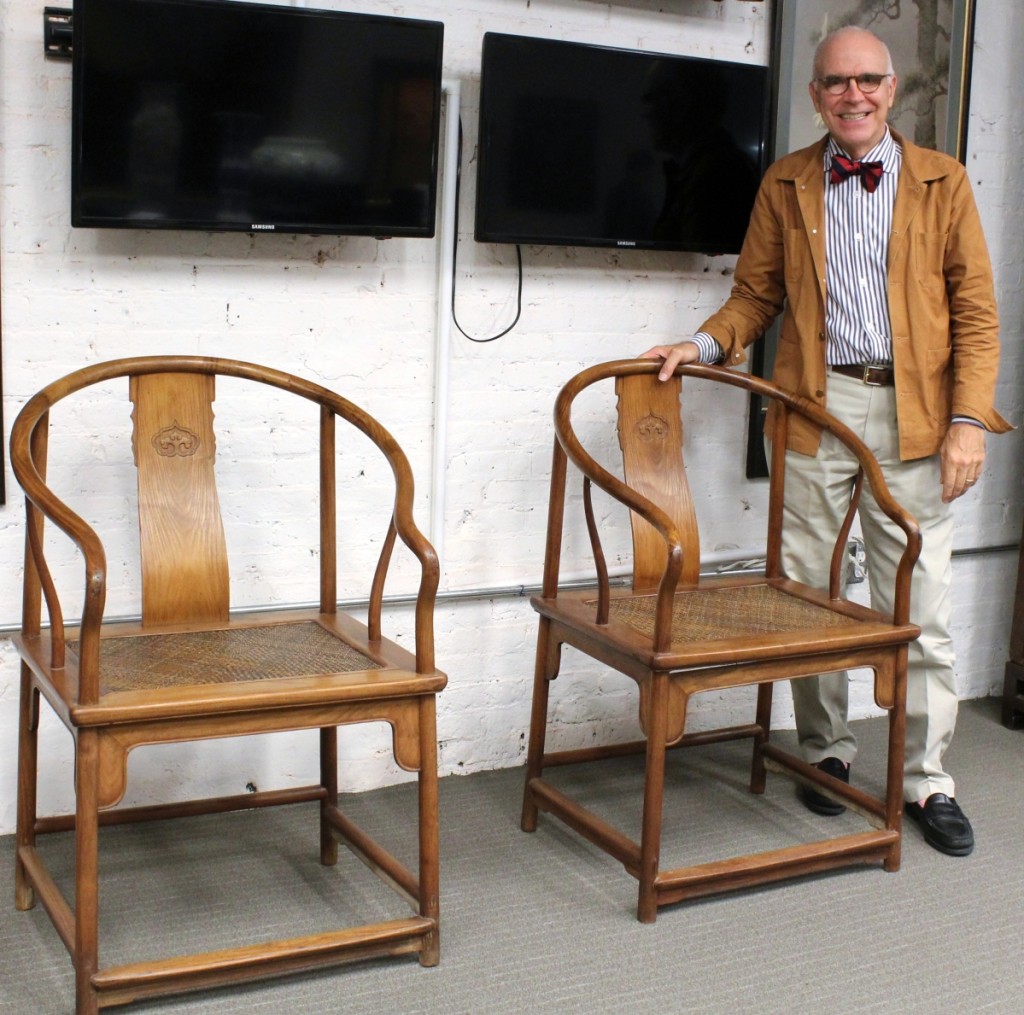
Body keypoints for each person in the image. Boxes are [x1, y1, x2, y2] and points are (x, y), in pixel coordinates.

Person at [641, 25, 1011, 857]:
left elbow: (977, 317)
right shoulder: (786, 181)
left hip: (917, 411)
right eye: (837, 82)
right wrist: (698, 346)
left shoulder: (942, 182)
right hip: (815, 405)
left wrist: (966, 422)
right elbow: (754, 296)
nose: (853, 94)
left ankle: (925, 779)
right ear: (816, 95)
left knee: (920, 602)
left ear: (891, 91)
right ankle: (825, 754)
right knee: (809, 596)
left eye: (868, 80)